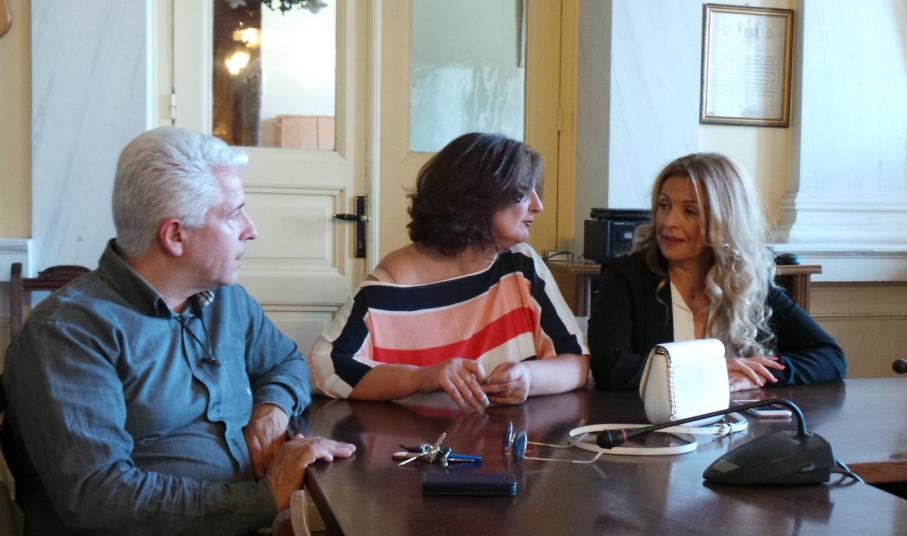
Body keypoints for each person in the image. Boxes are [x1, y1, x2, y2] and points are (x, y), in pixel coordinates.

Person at [2, 127, 355, 534]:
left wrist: (272, 409)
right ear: (174, 235)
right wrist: (266, 497)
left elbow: (286, 362)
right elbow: (100, 498)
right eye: (232, 214)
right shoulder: (67, 334)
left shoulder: (227, 300)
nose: (250, 229)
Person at [310, 133, 589, 409]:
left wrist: (529, 377)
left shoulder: (522, 266)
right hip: (415, 438)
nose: (538, 206)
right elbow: (325, 367)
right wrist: (420, 378)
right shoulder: (387, 289)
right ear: (476, 198)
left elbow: (577, 362)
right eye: (521, 194)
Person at [588, 152, 846, 392]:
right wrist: (710, 371)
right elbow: (610, 369)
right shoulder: (625, 277)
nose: (669, 222)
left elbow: (830, 357)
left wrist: (755, 374)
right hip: (651, 423)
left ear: (725, 221)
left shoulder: (748, 282)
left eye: (689, 211)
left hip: (736, 422)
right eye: (664, 205)